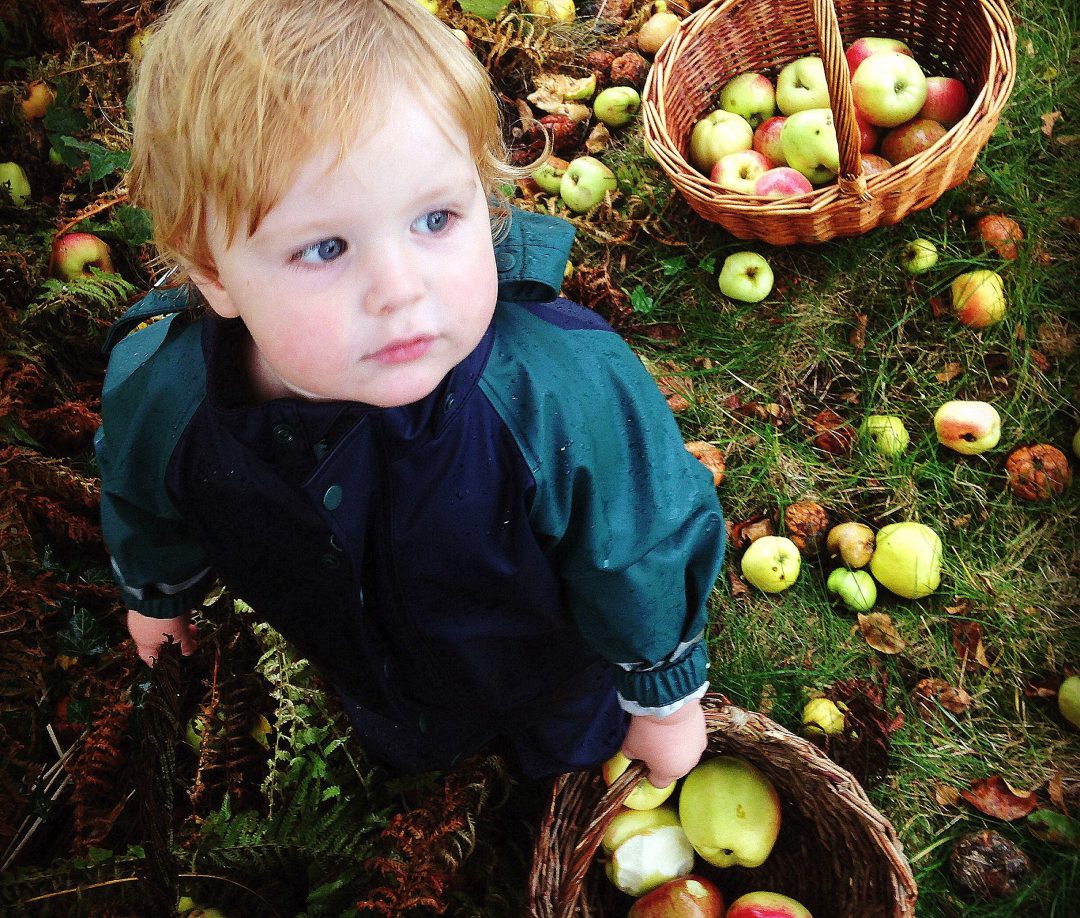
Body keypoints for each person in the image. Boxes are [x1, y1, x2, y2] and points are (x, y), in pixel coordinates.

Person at [97, 0, 725, 786]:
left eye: (435, 218)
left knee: (567, 743)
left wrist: (663, 699)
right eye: (325, 247)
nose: (399, 290)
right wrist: (159, 591)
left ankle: (549, 771)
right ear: (216, 274)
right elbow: (142, 496)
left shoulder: (560, 391)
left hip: (545, 659)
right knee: (411, 743)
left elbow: (638, 543)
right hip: (360, 658)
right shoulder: (166, 397)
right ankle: (423, 749)